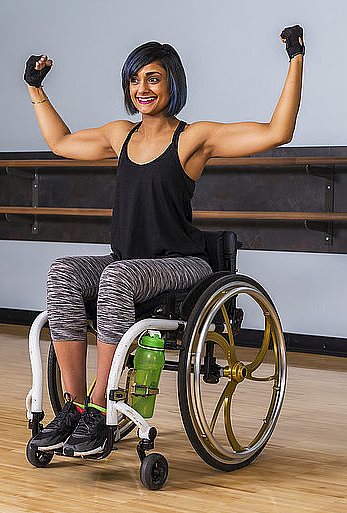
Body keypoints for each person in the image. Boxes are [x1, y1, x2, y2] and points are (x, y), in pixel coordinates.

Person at [25, 26, 304, 457]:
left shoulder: (193, 138)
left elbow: (277, 131)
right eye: (135, 80)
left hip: (183, 264)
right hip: (130, 262)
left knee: (117, 277)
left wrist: (295, 60)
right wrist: (35, 89)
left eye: (152, 78)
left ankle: (100, 408)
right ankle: (77, 407)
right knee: (63, 271)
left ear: (172, 82)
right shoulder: (121, 136)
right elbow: (60, 142)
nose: (142, 88)